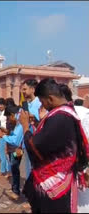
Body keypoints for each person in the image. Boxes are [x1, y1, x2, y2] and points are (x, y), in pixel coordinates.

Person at [19, 78, 89, 213]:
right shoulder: (66, 112)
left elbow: (36, 147)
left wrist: (26, 127)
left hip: (53, 183)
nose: (43, 105)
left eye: (42, 101)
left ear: (50, 99)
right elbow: (53, 139)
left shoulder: (60, 117)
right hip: (63, 177)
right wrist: (36, 124)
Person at [0, 105, 24, 200]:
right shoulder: (18, 123)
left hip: (22, 150)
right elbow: (15, 135)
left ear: (12, 115)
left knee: (15, 169)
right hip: (18, 148)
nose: (8, 120)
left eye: (8, 117)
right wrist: (7, 133)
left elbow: (16, 140)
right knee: (14, 168)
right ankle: (14, 189)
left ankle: (16, 192)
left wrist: (2, 136)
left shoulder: (20, 124)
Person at [21, 79, 41, 178]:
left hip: (36, 142)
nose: (23, 92)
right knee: (28, 169)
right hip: (27, 141)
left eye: (25, 89)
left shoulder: (40, 104)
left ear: (32, 89)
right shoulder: (27, 105)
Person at [0, 98, 11, 178]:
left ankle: (4, 171)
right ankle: (6, 170)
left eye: (1, 104)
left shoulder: (7, 113)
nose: (0, 106)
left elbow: (8, 126)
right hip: (1, 135)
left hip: (5, 135)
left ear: (5, 105)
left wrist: (5, 132)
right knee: (2, 154)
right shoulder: (0, 113)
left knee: (5, 154)